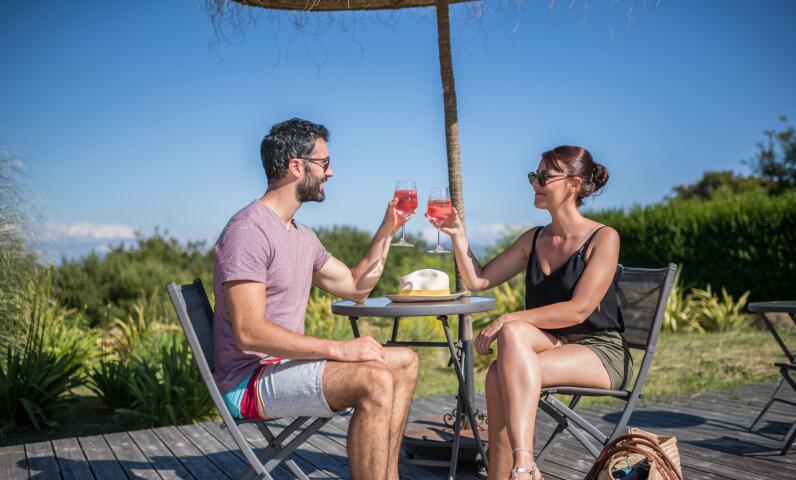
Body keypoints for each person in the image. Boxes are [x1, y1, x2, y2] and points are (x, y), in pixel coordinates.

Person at [213, 118, 419, 480]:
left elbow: (355, 286)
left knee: (405, 361)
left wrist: (389, 227)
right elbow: (249, 332)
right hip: (249, 381)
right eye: (324, 163)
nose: (330, 172)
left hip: (281, 367)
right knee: (373, 378)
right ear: (297, 166)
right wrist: (339, 349)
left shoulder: (301, 236)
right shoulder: (248, 231)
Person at [433, 146, 630, 480]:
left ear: (573, 184)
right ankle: (521, 466)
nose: (535, 183)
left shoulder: (603, 237)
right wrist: (458, 236)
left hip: (599, 351)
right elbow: (479, 280)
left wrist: (510, 317)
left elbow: (579, 309)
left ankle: (520, 467)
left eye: (544, 177)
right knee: (507, 349)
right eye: (533, 176)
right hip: (554, 344)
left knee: (500, 371)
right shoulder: (533, 239)